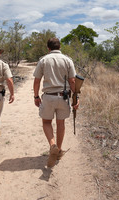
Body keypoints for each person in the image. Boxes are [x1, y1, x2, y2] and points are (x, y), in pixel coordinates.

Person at [33, 37, 79, 168]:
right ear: (60, 47)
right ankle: (58, 150)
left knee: (46, 122)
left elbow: (36, 81)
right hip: (63, 97)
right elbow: (73, 81)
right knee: (61, 123)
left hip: (48, 96)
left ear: (48, 48)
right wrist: (76, 98)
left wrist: (36, 96)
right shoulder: (67, 60)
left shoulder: (43, 60)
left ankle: (52, 145)